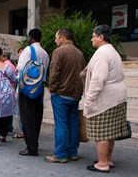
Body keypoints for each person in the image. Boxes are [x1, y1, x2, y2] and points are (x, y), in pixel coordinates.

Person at [81, 24, 128, 173]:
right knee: (110, 133)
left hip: (105, 100)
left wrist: (89, 99)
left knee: (101, 133)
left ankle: (102, 163)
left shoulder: (102, 53)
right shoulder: (113, 51)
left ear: (101, 37)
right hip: (117, 97)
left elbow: (98, 79)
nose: (91, 39)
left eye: (94, 36)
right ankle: (108, 159)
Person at [44, 28, 85, 163]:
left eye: (56, 38)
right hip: (75, 94)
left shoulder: (59, 51)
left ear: (62, 37)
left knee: (61, 124)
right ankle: (73, 152)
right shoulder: (79, 53)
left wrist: (52, 89)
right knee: (73, 124)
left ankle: (60, 154)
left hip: (61, 94)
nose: (55, 40)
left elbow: (54, 72)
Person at [16, 28, 49, 156]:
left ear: (31, 38)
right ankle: (35, 143)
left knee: (27, 118)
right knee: (36, 118)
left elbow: (20, 69)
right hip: (39, 89)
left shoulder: (28, 50)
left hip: (26, 89)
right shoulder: (45, 53)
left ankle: (31, 148)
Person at [11, 47, 25, 139]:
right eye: (19, 52)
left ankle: (21, 132)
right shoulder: (17, 64)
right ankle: (21, 131)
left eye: (22, 52)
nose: (20, 54)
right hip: (19, 89)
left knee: (20, 111)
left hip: (22, 89)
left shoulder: (22, 64)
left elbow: (17, 77)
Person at [2, 52, 16, 133]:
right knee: (10, 109)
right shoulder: (13, 65)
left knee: (5, 110)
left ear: (5, 57)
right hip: (12, 88)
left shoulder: (6, 65)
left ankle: (7, 128)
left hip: (6, 89)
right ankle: (10, 127)